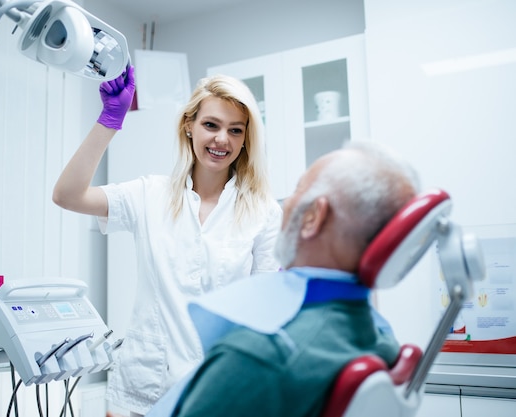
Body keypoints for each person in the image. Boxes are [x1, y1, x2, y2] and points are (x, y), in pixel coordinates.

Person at [52, 66, 282, 416]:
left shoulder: (262, 212)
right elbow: (67, 195)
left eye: (235, 131)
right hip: (145, 387)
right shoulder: (150, 195)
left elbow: (265, 311)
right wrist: (109, 121)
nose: (223, 139)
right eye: (211, 125)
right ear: (189, 126)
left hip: (221, 389)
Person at [143, 140, 420, 417]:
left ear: (313, 217)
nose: (285, 205)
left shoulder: (260, 354)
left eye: (299, 190)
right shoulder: (381, 337)